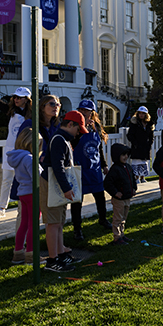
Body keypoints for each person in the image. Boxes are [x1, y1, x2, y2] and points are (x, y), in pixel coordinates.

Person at [0, 71, 32, 220]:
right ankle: (2, 208)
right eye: (14, 97)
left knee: (27, 181)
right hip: (11, 152)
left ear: (26, 100)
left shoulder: (33, 115)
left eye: (18, 97)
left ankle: (27, 208)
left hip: (26, 153)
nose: (15, 99)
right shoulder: (11, 111)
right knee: (7, 180)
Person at [42, 110, 86, 272]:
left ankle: (60, 254)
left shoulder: (65, 140)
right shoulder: (59, 140)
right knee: (53, 223)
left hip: (58, 186)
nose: (78, 133)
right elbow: (57, 166)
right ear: (70, 124)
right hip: (52, 184)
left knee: (59, 222)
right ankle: (52, 260)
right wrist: (66, 188)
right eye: (78, 129)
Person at [72, 99, 111, 238]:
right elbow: (74, 143)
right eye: (81, 110)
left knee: (100, 196)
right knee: (77, 201)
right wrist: (82, 129)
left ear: (91, 112)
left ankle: (103, 219)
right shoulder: (74, 126)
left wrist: (104, 164)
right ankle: (77, 229)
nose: (83, 112)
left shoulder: (96, 127)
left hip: (94, 168)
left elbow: (99, 148)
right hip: (79, 169)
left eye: (86, 110)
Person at [6, 127, 42, 265]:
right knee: (33, 225)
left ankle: (18, 252)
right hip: (33, 194)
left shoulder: (17, 157)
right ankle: (32, 254)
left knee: (24, 224)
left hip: (23, 194)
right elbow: (37, 177)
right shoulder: (29, 158)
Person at [104, 143, 137, 245]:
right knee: (118, 218)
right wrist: (115, 193)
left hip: (127, 197)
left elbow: (132, 178)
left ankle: (122, 234)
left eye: (127, 154)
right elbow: (107, 183)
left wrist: (134, 188)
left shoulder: (127, 167)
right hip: (119, 199)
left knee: (123, 218)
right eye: (123, 155)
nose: (126, 157)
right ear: (117, 156)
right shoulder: (115, 169)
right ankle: (117, 237)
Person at [127, 106, 154, 183]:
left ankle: (143, 177)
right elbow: (130, 135)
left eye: (143, 113)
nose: (141, 115)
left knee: (144, 162)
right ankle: (136, 178)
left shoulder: (149, 124)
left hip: (145, 146)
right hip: (137, 146)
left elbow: (151, 135)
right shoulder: (134, 123)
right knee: (136, 163)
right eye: (140, 113)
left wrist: (149, 143)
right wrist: (135, 143)